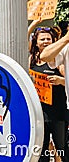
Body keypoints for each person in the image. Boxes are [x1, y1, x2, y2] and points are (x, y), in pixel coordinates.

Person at [30, 27, 68, 162]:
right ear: (36, 42)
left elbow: (67, 80)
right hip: (39, 113)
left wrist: (60, 81)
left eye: (48, 39)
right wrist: (34, 23)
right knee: (41, 150)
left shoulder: (58, 59)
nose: (46, 41)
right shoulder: (31, 59)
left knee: (62, 148)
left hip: (57, 112)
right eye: (42, 39)